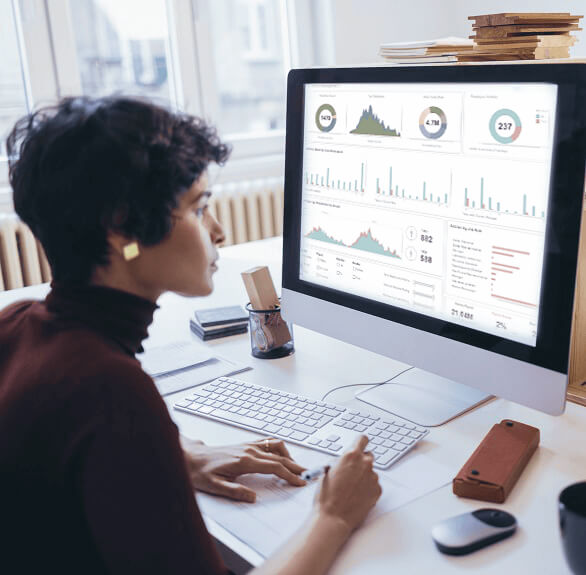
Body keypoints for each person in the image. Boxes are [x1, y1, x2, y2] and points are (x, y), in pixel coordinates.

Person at [0, 96, 381, 574]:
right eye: (199, 207)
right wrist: (333, 515)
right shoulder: (111, 392)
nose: (218, 231)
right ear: (121, 228)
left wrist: (176, 458)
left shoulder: (16, 323)